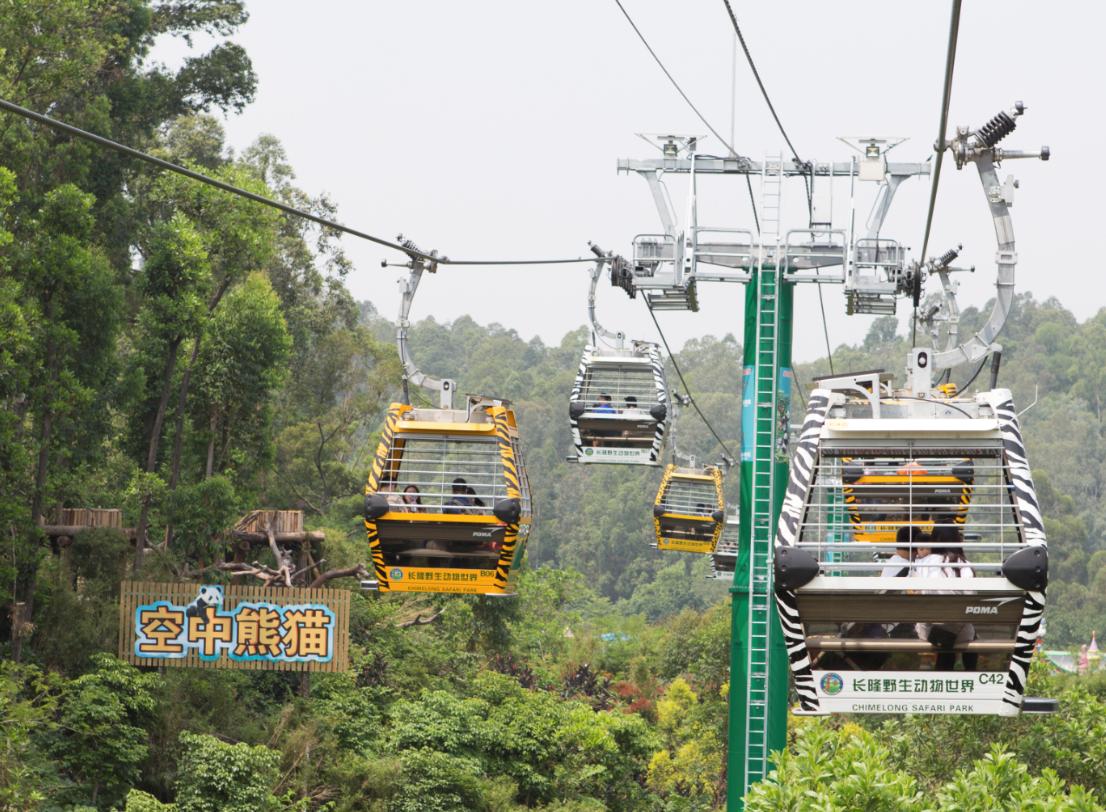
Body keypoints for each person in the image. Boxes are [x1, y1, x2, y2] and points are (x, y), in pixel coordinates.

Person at [915, 526, 976, 670]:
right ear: (957, 541)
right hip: (958, 631)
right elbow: (970, 597)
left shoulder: (924, 562)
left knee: (943, 630)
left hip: (927, 631)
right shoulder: (964, 565)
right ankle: (971, 674)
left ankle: (942, 674)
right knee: (961, 631)